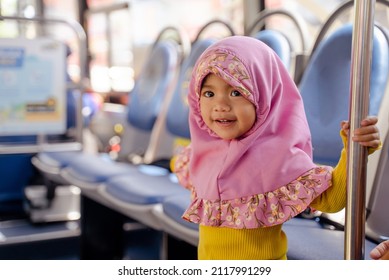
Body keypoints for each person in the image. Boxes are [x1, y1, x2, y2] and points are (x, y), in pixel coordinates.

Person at [173, 36, 382, 260]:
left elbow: (333, 201)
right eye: (209, 93)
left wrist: (354, 150)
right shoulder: (204, 154)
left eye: (236, 92)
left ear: (264, 96)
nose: (220, 106)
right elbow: (179, 164)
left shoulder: (280, 160)